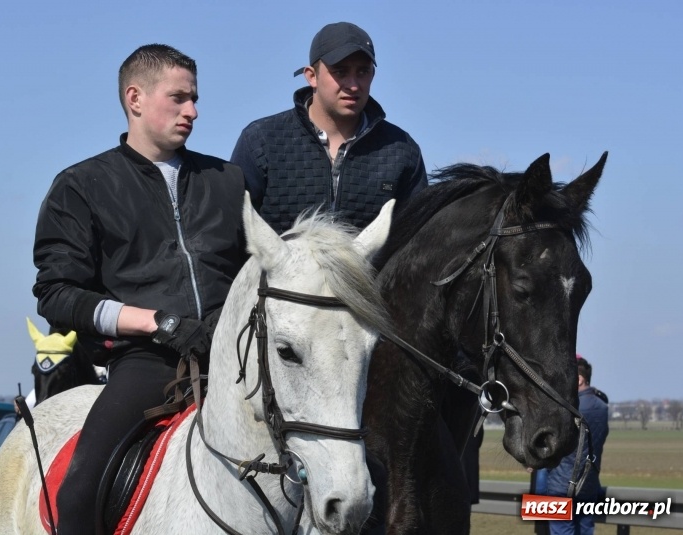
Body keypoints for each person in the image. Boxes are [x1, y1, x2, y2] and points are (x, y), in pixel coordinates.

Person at [32, 43, 247, 535]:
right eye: (179, 98)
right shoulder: (81, 186)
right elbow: (58, 294)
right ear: (135, 98)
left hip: (238, 358)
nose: (192, 111)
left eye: (194, 99)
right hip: (147, 361)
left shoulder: (228, 181)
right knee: (80, 489)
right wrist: (157, 323)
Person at [231, 21, 427, 235]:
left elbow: (418, 242)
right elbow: (231, 232)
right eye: (340, 72)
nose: (353, 85)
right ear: (311, 76)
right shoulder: (262, 141)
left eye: (362, 72)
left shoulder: (401, 150)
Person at [545, 355, 610, 535]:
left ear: (579, 379)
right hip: (590, 481)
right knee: (586, 528)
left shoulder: (570, 407)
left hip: (562, 482)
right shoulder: (603, 407)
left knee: (562, 530)